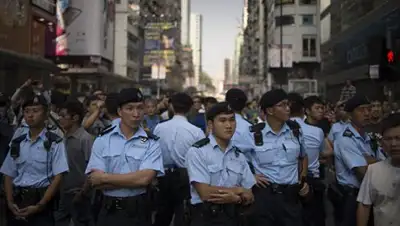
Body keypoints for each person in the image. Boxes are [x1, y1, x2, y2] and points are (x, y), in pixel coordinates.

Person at [85, 88, 164, 226]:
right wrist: (132, 179)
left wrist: (105, 178)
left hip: (138, 209)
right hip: (108, 209)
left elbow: (144, 179)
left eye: (140, 108)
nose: (136, 114)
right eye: (130, 108)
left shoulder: (151, 142)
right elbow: (95, 181)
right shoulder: (103, 139)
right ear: (120, 111)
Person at [0, 94, 69, 226]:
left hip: (42, 204)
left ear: (46, 114)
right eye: (27, 111)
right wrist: (9, 202)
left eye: (35, 111)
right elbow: (8, 173)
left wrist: (40, 205)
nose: (30, 115)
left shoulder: (55, 142)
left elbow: (58, 176)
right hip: (17, 201)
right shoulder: (17, 142)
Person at [186, 102, 255, 226]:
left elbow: (249, 194)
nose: (229, 125)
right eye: (222, 121)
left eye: (232, 120)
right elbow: (205, 192)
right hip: (206, 217)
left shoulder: (238, 155)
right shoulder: (198, 151)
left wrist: (238, 199)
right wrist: (238, 190)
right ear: (211, 124)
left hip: (234, 216)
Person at [246, 89, 309, 226]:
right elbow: (236, 160)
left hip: (290, 196)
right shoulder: (254, 134)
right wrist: (250, 177)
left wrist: (303, 179)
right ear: (270, 110)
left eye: (288, 105)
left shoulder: (295, 130)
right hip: (264, 197)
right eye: (282, 105)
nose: (288, 109)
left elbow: (303, 156)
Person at [153, 93, 205, 226]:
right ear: (190, 108)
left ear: (171, 106)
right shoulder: (196, 132)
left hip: (163, 176)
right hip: (186, 177)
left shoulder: (159, 128)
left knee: (162, 215)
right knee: (183, 214)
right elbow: (201, 158)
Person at [333, 94, 386, 226]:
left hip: (370, 195)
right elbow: (362, 170)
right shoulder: (345, 138)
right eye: (361, 110)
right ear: (350, 115)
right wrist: (375, 163)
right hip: (352, 197)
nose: (367, 113)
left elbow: (387, 164)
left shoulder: (368, 137)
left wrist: (370, 160)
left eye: (369, 109)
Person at [288, 92, 332, 226]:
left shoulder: (282, 131)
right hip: (312, 181)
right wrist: (316, 157)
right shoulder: (316, 131)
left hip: (287, 182)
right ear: (304, 110)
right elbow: (328, 151)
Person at [55, 100, 94, 226]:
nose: (60, 119)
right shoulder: (63, 137)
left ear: (75, 118)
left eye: (63, 116)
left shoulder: (85, 139)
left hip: (79, 193)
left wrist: (83, 192)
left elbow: (92, 168)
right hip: (63, 192)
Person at [356, 113, 400, 226]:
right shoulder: (373, 170)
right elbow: (364, 206)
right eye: (388, 139)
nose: (393, 144)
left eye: (398, 138)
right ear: (382, 142)